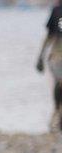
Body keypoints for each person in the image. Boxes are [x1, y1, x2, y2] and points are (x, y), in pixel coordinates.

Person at [37, 0, 62, 131]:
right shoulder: (57, 11)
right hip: (57, 56)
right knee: (60, 82)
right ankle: (57, 112)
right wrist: (40, 57)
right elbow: (50, 35)